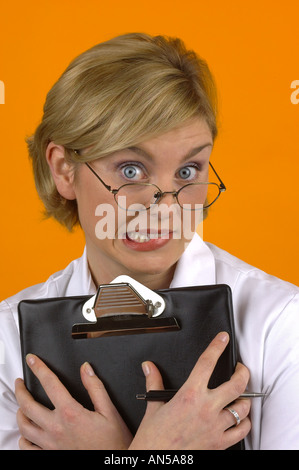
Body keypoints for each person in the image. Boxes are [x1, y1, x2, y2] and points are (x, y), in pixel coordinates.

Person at [0, 33, 298, 451]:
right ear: (65, 169)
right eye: (131, 170)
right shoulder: (7, 338)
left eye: (188, 170)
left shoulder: (282, 325)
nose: (164, 208)